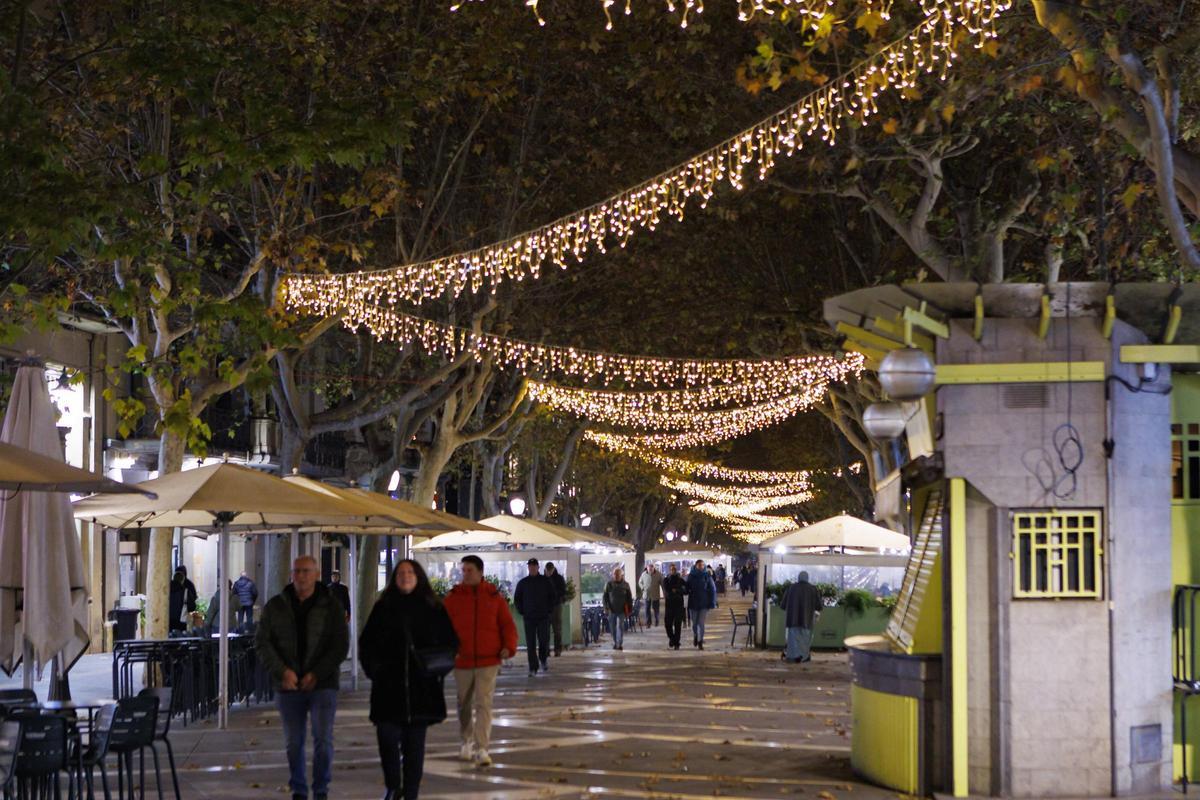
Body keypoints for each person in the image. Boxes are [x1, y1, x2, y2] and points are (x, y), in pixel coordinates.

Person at [359, 559, 459, 800]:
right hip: (388, 690)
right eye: (401, 573)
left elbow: (451, 644)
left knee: (415, 748)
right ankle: (394, 786)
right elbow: (367, 644)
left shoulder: (433, 607)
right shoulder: (383, 608)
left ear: (419, 577)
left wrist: (434, 670)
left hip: (421, 689)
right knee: (387, 739)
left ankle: (411, 792)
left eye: (410, 572)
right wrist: (375, 670)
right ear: (394, 578)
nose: (405, 576)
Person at [256, 555, 350, 800]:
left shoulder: (331, 606)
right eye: (297, 571)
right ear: (291, 574)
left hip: (323, 684)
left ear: (317, 574)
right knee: (293, 742)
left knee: (322, 740)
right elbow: (263, 643)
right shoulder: (276, 606)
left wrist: (317, 673)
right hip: (288, 685)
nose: (301, 576)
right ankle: (299, 788)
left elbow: (340, 646)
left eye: (306, 571)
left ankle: (321, 789)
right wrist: (282, 671)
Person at [443, 555, 518, 768]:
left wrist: (508, 647)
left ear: (480, 572)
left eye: (469, 570)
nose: (465, 574)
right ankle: (466, 740)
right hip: (462, 660)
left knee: (484, 703)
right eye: (463, 570)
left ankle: (482, 747)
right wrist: (449, 650)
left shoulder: (494, 598)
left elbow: (507, 625)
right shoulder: (453, 599)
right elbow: (443, 627)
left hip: (488, 660)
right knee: (463, 703)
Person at [513, 558, 556, 677]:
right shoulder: (523, 583)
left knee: (544, 640)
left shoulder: (545, 581)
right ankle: (533, 667)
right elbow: (517, 598)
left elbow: (552, 597)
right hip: (529, 617)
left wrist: (549, 610)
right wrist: (522, 611)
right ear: (528, 568)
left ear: (538, 567)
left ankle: (543, 659)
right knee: (530, 643)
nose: (531, 568)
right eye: (530, 566)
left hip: (543, 617)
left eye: (534, 566)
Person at [782, 571, 823, 664]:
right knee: (805, 640)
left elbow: (783, 605)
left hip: (792, 620)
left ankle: (793, 656)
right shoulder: (813, 589)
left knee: (793, 640)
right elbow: (819, 606)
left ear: (798, 577)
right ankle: (804, 657)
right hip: (807, 620)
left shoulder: (791, 588)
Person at [686, 560, 717, 649]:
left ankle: (700, 641)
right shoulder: (691, 576)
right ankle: (695, 635)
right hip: (693, 602)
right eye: (699, 565)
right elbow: (687, 587)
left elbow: (712, 589)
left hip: (704, 603)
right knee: (694, 623)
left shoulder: (707, 576)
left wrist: (712, 602)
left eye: (702, 565)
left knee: (701, 623)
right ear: (695, 566)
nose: (701, 566)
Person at [602, 568, 633, 651]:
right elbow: (605, 597)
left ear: (621, 575)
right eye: (614, 574)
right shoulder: (609, 584)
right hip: (611, 610)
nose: (616, 576)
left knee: (620, 627)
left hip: (622, 610)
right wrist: (606, 608)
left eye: (617, 574)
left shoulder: (626, 585)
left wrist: (630, 609)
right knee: (612, 627)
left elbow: (629, 597)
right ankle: (616, 642)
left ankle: (619, 643)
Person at [661, 563, 687, 650]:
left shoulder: (680, 580)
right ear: (669, 570)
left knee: (677, 625)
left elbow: (686, 590)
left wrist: (677, 590)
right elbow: (667, 590)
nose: (673, 571)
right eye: (672, 569)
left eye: (674, 569)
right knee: (668, 624)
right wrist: (676, 590)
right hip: (669, 605)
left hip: (679, 605)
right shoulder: (666, 580)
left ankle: (677, 643)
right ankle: (672, 639)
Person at [544, 563, 568, 657]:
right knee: (545, 630)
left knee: (556, 629)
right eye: (548, 570)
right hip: (546, 607)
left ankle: (557, 649)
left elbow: (563, 591)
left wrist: (554, 595)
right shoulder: (543, 579)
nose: (549, 572)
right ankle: (547, 650)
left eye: (550, 570)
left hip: (556, 606)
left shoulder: (559, 578)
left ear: (553, 569)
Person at [168, 566, 197, 634]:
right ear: (182, 580)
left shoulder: (166, 588)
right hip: (181, 619)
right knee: (180, 637)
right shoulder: (186, 589)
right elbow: (192, 606)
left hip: (168, 618)